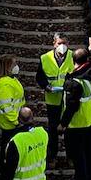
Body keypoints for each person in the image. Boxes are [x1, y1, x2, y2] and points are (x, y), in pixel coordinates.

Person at [60, 41, 91, 180]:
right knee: (90, 148)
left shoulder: (75, 83)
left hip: (78, 124)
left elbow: (72, 106)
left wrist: (63, 124)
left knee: (78, 155)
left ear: (74, 62)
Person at [36, 33, 73, 164]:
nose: (62, 46)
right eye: (59, 43)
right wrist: (46, 86)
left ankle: (71, 156)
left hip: (68, 99)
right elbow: (39, 77)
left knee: (69, 127)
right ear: (54, 44)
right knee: (53, 129)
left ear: (68, 44)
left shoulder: (73, 57)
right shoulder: (45, 58)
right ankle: (52, 156)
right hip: (52, 100)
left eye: (64, 43)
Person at [0, 54, 25, 152]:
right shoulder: (5, 85)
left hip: (13, 121)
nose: (16, 66)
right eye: (14, 64)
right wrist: (16, 122)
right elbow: (6, 107)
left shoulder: (11, 79)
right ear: (7, 67)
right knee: (9, 150)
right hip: (10, 124)